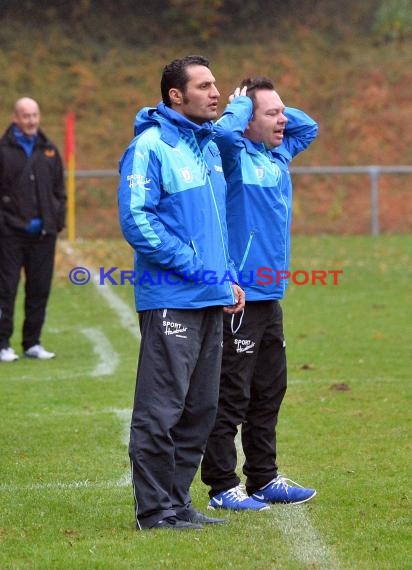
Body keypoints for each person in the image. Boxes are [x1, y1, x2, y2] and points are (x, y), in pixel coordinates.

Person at [117, 55, 245, 531]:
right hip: (171, 297)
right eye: (205, 85)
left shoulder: (208, 148)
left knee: (201, 409)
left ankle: (177, 503)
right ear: (176, 95)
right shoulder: (150, 146)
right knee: (162, 409)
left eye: (216, 84)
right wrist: (195, 268)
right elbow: (137, 221)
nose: (216, 93)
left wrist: (227, 275)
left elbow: (216, 227)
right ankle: (154, 512)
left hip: (211, 296)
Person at [201, 78, 319, 510]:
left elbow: (309, 127)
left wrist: (270, 99)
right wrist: (239, 106)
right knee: (232, 393)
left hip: (271, 293)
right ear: (248, 122)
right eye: (271, 115)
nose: (283, 121)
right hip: (241, 294)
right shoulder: (232, 156)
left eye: (281, 113)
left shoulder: (278, 152)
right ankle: (220, 485)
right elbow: (224, 131)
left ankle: (263, 478)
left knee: (270, 390)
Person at [0, 97, 66, 362]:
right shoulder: (3, 151)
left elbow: (59, 191)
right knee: (6, 289)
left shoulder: (48, 150)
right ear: (16, 118)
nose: (31, 121)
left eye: (35, 115)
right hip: (10, 236)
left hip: (43, 236)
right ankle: (3, 343)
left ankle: (32, 342)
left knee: (39, 289)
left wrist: (55, 222)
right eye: (26, 116)